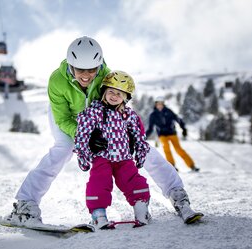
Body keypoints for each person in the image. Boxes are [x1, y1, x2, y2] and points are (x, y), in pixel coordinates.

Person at [10, 36, 203, 225]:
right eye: (80, 70)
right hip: (69, 118)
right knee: (63, 150)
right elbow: (62, 118)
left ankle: (178, 194)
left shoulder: (106, 75)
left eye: (92, 69)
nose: (86, 75)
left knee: (141, 149)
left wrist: (126, 132)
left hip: (101, 119)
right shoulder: (57, 80)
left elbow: (118, 102)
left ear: (99, 64)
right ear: (71, 65)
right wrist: (85, 136)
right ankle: (25, 205)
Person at [74, 70, 151, 228]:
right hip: (102, 157)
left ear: (126, 97)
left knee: (133, 181)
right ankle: (98, 215)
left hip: (124, 158)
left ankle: (141, 210)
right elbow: (82, 133)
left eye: (119, 94)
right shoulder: (94, 112)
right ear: (104, 91)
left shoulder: (128, 115)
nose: (114, 96)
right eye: (111, 91)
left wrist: (141, 153)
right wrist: (83, 155)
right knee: (99, 183)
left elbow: (139, 134)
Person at [146, 97, 200, 172]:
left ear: (163, 104)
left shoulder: (169, 112)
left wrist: (183, 128)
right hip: (162, 135)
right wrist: (144, 136)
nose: (159, 106)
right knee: (166, 148)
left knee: (179, 149)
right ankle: (172, 166)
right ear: (155, 105)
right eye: (158, 104)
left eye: (161, 104)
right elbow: (150, 128)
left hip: (172, 133)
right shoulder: (153, 115)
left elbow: (178, 119)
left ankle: (192, 166)